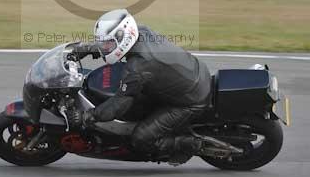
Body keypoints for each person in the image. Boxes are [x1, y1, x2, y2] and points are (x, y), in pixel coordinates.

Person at [67, 9, 213, 163]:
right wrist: (87, 49)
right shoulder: (141, 31)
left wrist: (89, 116)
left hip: (190, 100)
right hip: (192, 74)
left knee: (141, 138)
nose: (105, 47)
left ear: (124, 37)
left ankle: (191, 144)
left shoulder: (138, 67)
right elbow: (115, 45)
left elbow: (119, 104)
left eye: (108, 43)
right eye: (104, 43)